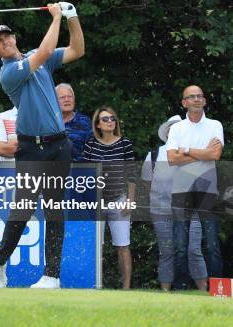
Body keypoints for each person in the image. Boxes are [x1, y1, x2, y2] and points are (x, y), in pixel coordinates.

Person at [0, 2, 85, 289]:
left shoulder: (38, 59)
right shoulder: (9, 72)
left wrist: (72, 17)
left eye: (7, 37)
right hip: (31, 148)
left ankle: (52, 276)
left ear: (14, 38)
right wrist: (56, 17)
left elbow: (77, 50)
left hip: (58, 145)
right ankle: (0, 260)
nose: (5, 42)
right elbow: (44, 52)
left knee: (55, 208)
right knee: (23, 208)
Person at [166, 85, 223, 290]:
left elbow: (215, 155)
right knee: (180, 246)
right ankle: (181, 289)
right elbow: (172, 159)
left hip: (207, 189)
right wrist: (203, 153)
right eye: (192, 97)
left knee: (212, 244)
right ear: (184, 103)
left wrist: (187, 151)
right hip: (181, 191)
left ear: (205, 101)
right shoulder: (177, 128)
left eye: (200, 96)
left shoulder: (215, 125)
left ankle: (219, 290)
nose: (197, 99)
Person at [141, 115, 207, 291]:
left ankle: (203, 292)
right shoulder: (154, 155)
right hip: (161, 212)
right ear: (168, 132)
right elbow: (147, 184)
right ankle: (165, 293)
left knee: (194, 250)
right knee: (167, 253)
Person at [83, 106, 135, 289]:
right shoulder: (90, 144)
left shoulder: (125, 144)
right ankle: (97, 285)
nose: (110, 121)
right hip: (96, 202)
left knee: (123, 246)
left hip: (119, 200)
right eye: (105, 119)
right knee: (97, 247)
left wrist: (130, 200)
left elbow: (131, 174)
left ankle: (126, 288)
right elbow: (86, 175)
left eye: (113, 118)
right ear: (97, 123)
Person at [56, 83, 92, 161]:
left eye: (70, 96)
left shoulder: (85, 122)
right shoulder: (49, 122)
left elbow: (92, 151)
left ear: (74, 99)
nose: (67, 100)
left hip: (79, 170)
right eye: (62, 97)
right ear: (55, 101)